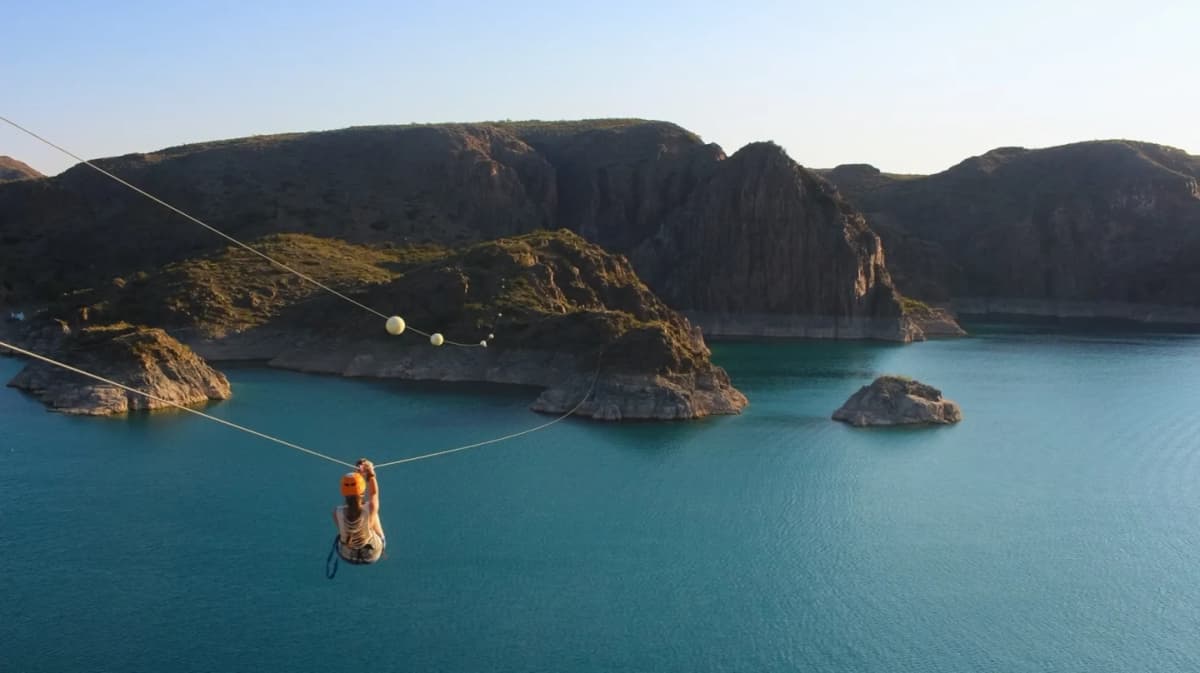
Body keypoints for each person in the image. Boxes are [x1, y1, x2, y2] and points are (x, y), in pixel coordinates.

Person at [332, 458, 386, 564]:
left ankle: (357, 483)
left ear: (343, 492)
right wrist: (370, 472)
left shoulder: (336, 512)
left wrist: (358, 475)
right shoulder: (370, 507)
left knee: (368, 510)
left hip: (347, 555)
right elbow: (373, 493)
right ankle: (359, 482)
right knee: (372, 512)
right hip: (372, 554)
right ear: (362, 490)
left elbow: (352, 507)